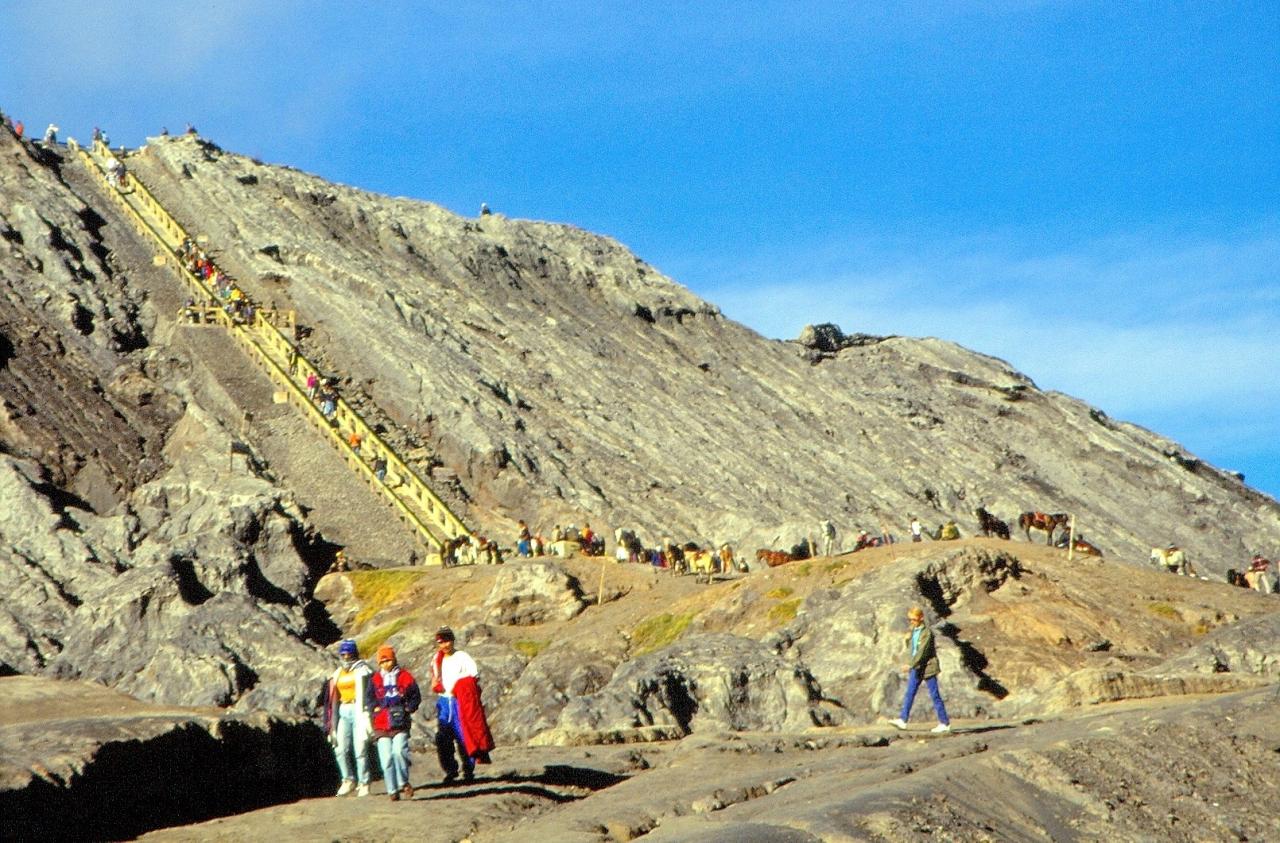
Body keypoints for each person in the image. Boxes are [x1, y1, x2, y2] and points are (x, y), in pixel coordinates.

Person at [430, 627, 494, 784]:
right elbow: (434, 678)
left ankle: (468, 768)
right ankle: (451, 769)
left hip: (459, 701)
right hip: (444, 701)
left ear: (452, 640)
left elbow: (473, 677)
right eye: (441, 642)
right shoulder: (437, 659)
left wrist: (461, 688)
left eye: (447, 641)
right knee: (443, 738)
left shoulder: (462, 657)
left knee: (464, 735)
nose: (445, 645)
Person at [370, 644, 421, 801]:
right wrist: (374, 709)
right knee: (386, 759)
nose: (385, 664)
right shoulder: (375, 679)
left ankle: (403, 782)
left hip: (400, 723)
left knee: (399, 752)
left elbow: (415, 696)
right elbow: (369, 699)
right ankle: (392, 790)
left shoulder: (405, 676)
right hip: (381, 724)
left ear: (394, 659)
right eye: (382, 661)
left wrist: (409, 708)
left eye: (388, 660)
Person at [322, 640, 373, 797]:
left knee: (360, 749)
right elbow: (329, 698)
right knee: (340, 748)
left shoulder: (364, 671)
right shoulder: (337, 674)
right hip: (342, 710)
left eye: (348, 654)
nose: (345, 657)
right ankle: (348, 779)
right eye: (343, 654)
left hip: (359, 709)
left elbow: (371, 692)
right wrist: (328, 720)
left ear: (354, 654)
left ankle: (364, 782)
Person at [889, 606, 951, 734]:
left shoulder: (927, 633)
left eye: (914, 620)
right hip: (917, 668)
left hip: (927, 667)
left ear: (921, 618)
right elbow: (913, 650)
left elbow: (922, 651)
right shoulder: (914, 631)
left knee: (934, 695)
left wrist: (911, 665)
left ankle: (944, 723)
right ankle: (903, 720)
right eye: (910, 620)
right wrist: (907, 641)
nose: (912, 622)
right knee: (910, 693)